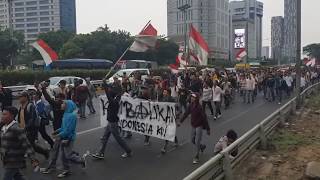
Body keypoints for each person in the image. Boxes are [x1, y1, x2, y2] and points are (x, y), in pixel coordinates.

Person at [41, 100, 88, 178]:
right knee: (63, 156)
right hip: (63, 137)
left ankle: (81, 160)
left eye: (63, 103)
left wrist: (58, 135)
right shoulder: (66, 114)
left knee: (68, 155)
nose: (62, 104)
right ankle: (67, 170)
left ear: (68, 106)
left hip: (68, 138)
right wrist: (57, 131)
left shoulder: (72, 116)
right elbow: (63, 127)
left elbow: (68, 130)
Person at [92, 87, 132, 160]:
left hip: (113, 123)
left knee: (118, 139)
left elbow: (109, 96)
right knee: (105, 138)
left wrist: (105, 86)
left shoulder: (114, 103)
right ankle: (101, 153)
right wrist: (118, 91)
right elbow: (118, 94)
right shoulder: (116, 100)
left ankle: (128, 151)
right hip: (110, 123)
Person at [0, 106, 39, 180]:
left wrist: (33, 159)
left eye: (5, 114)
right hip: (6, 158)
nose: (2, 116)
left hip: (14, 159)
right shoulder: (4, 127)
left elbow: (26, 144)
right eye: (2, 114)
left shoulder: (16, 128)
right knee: (18, 177)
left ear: (12, 116)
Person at [178, 93, 210, 164]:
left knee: (197, 141)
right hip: (193, 125)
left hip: (199, 126)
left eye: (194, 97)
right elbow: (186, 114)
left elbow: (204, 118)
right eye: (191, 97)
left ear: (197, 99)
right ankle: (202, 147)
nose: (192, 98)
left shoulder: (199, 107)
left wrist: (208, 129)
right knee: (192, 140)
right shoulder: (191, 105)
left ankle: (196, 157)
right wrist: (180, 121)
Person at [17, 91, 49, 159]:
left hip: (31, 129)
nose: (19, 99)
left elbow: (32, 118)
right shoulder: (21, 106)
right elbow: (20, 117)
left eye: (20, 97)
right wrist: (19, 125)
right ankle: (27, 154)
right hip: (23, 128)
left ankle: (44, 152)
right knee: (26, 143)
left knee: (31, 144)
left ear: (25, 97)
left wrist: (26, 127)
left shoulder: (30, 106)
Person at [159, 89, 179, 154]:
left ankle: (164, 147)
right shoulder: (162, 98)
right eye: (163, 92)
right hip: (164, 117)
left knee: (168, 131)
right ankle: (176, 141)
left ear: (168, 93)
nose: (163, 93)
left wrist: (176, 114)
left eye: (165, 92)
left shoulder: (172, 99)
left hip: (171, 117)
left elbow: (177, 107)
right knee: (169, 130)